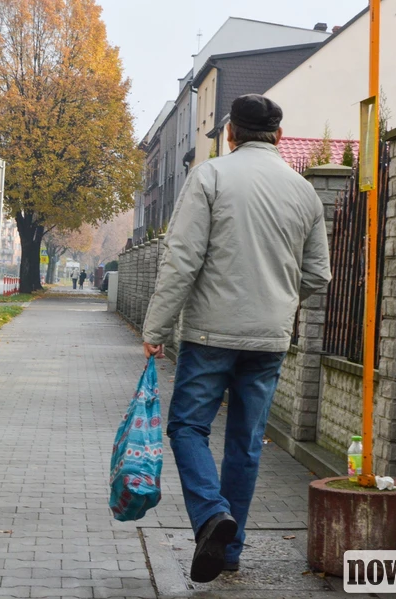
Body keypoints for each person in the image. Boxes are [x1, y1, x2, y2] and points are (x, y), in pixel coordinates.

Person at [141, 94, 331, 584]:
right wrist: (281, 306)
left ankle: (210, 517)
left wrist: (156, 328)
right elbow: (318, 276)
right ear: (280, 137)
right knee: (246, 444)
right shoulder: (304, 192)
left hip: (209, 333)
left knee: (188, 428)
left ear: (230, 134)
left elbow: (181, 259)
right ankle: (229, 552)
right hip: (269, 340)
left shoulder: (211, 176)